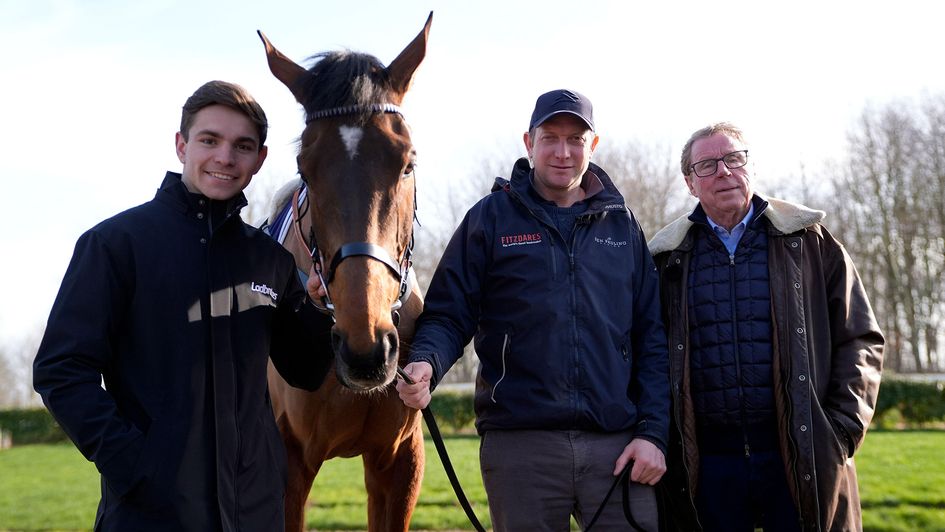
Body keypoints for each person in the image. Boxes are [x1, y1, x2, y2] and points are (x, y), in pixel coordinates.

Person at [33, 80, 335, 531]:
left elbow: (307, 371)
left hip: (256, 511)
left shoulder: (270, 261)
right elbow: (61, 369)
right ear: (181, 145)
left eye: (242, 146)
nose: (225, 158)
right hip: (149, 511)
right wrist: (132, 464)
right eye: (209, 140)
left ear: (260, 159)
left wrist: (322, 309)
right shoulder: (115, 245)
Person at [396, 89, 670, 530]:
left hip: (616, 447)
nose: (563, 152)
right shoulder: (489, 219)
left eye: (576, 139)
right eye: (550, 138)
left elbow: (652, 337)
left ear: (593, 146)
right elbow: (448, 313)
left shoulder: (624, 225)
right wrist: (426, 360)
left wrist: (653, 433)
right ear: (528, 142)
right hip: (520, 445)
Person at [647, 122, 884, 532]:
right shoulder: (667, 258)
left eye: (733, 159)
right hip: (708, 466)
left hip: (799, 454)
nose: (723, 172)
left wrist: (840, 433)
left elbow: (860, 338)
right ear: (690, 182)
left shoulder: (810, 241)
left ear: (750, 166)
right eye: (706, 165)